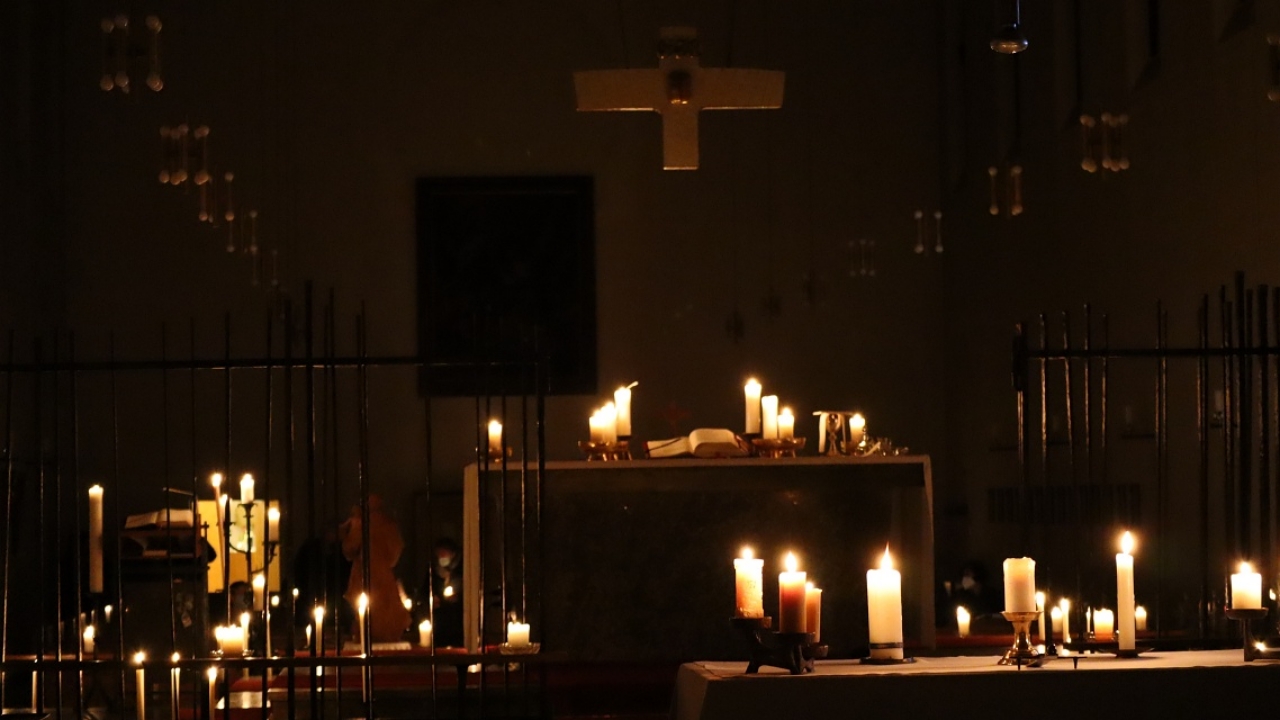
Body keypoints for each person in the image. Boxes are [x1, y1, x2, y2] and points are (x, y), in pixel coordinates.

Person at [338, 495, 411, 643]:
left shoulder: (360, 523)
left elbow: (349, 548)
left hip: (364, 572)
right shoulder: (389, 524)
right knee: (385, 606)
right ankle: (385, 633)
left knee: (367, 607)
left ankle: (369, 633)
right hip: (383, 573)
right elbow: (396, 551)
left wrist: (345, 534)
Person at [420, 538, 463, 647]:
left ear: (453, 553)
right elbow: (424, 591)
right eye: (439, 554)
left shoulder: (462, 570)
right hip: (439, 621)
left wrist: (457, 598)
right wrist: (431, 599)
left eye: (444, 553)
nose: (441, 557)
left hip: (457, 621)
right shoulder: (433, 570)